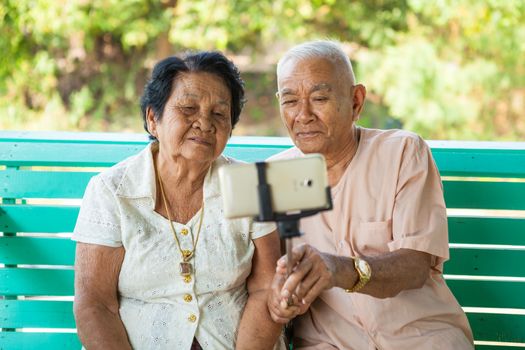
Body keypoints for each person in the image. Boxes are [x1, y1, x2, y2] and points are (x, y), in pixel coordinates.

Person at [267, 40, 474, 349]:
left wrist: (339, 270)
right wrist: (279, 302)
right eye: (290, 100)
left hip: (420, 339)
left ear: (356, 100)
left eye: (319, 97)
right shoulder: (273, 178)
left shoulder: (402, 152)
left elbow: (415, 266)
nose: (303, 114)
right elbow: (260, 286)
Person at [72, 51, 284, 350]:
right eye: (188, 108)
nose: (204, 123)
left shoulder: (250, 184)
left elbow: (265, 289)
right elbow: (95, 305)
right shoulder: (112, 191)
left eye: (219, 114)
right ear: (152, 119)